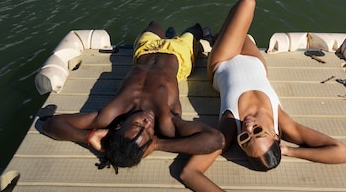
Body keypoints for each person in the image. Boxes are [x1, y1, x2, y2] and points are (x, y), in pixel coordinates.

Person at [180, 0, 346, 192]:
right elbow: (343, 153)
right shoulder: (284, 123)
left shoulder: (230, 127)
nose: (248, 125)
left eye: (245, 137)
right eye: (258, 131)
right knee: (242, 25)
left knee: (247, 4)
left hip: (224, 62)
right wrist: (291, 151)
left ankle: (215, 38)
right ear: (275, 135)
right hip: (255, 62)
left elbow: (189, 173)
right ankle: (217, 36)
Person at [43, 21, 225, 172]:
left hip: (146, 50)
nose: (147, 122)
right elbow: (217, 140)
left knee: (154, 24)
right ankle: (200, 35)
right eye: (148, 132)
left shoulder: (111, 114)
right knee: (197, 29)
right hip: (180, 55)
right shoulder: (166, 122)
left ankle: (169, 33)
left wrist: (92, 138)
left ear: (119, 126)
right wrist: (157, 145)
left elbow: (51, 124)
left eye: (138, 124)